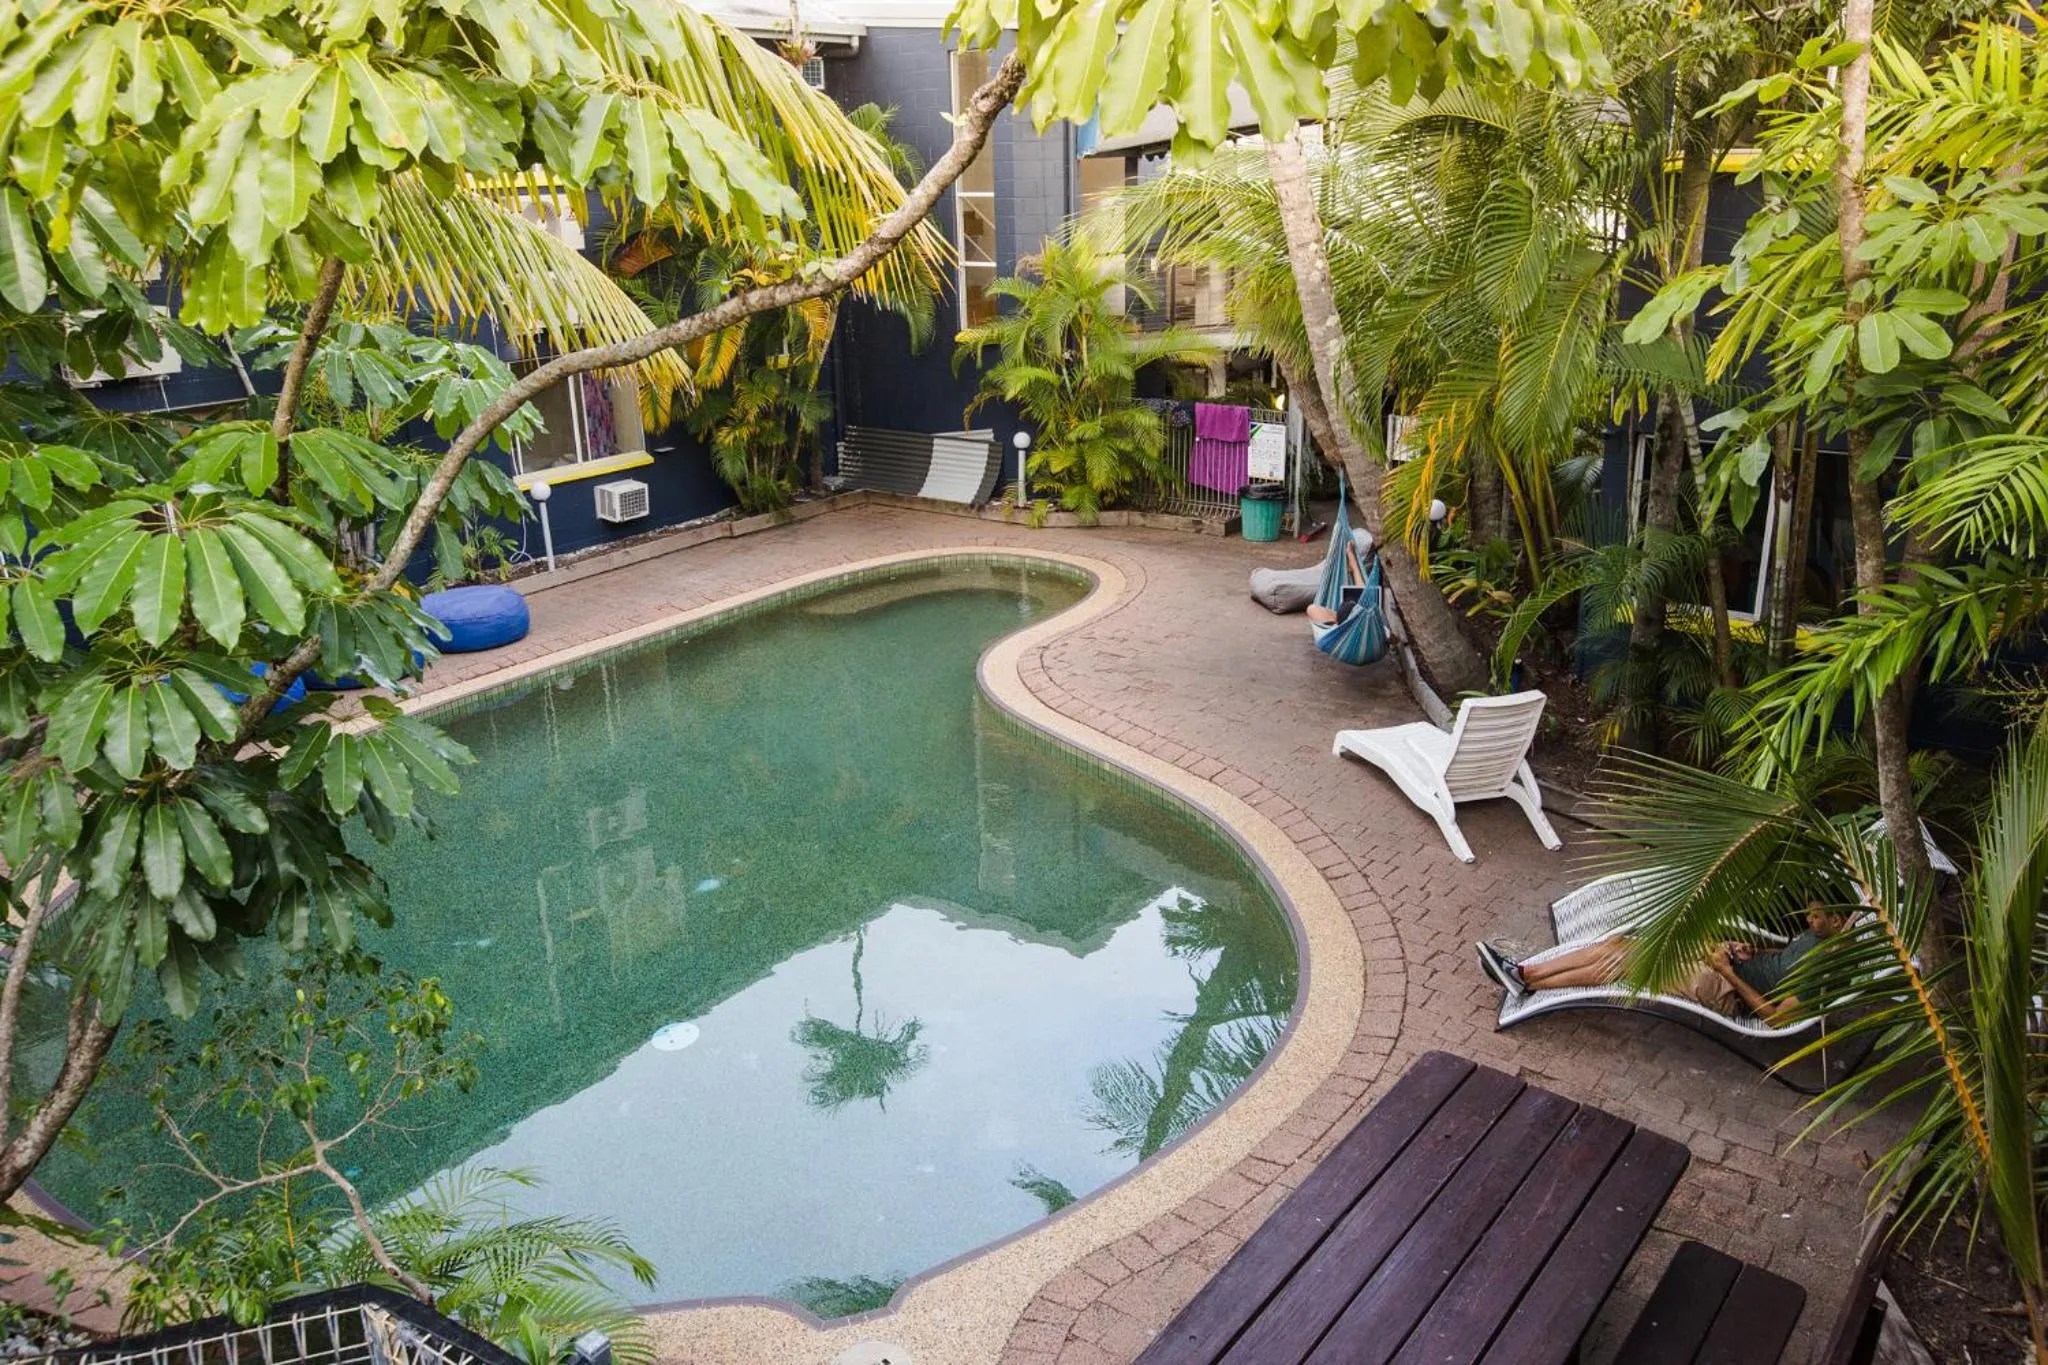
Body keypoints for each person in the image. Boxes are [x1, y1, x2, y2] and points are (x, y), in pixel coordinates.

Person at [1475, 901, 1854, 1025]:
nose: (1809, 920)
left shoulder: (1822, 973)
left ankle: (1527, 977)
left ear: (1837, 923)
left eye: (1818, 917)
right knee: (1619, 943)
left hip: (1724, 989)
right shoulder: (1818, 937)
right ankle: (1524, 974)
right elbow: (1782, 960)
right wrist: (1751, 951)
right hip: (1727, 964)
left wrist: (1726, 972)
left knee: (1626, 964)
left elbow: (1774, 1016)